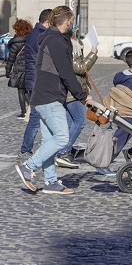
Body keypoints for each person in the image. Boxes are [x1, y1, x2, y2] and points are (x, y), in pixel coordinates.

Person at [14, 6, 90, 195]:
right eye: (72, 22)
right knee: (62, 138)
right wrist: (81, 95)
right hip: (50, 96)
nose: (73, 25)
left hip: (42, 96)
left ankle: (50, 182)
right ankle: (28, 167)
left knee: (49, 140)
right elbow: (65, 71)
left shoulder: (51, 38)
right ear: (67, 22)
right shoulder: (56, 41)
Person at [54, 33, 98, 170]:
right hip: (71, 93)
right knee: (79, 120)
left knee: (69, 124)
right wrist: (93, 53)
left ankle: (62, 151)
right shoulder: (69, 48)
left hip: (72, 91)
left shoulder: (74, 47)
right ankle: (63, 152)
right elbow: (79, 68)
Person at [18, 9, 52, 161]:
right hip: (38, 82)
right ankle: (26, 149)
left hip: (35, 81)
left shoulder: (35, 33)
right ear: (47, 22)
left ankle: (28, 148)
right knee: (36, 118)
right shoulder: (40, 35)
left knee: (38, 116)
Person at [5, 19, 32, 118]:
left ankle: (24, 111)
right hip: (29, 68)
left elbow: (11, 59)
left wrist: (8, 71)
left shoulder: (15, 43)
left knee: (21, 91)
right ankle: (31, 109)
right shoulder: (30, 40)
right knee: (26, 90)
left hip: (18, 70)